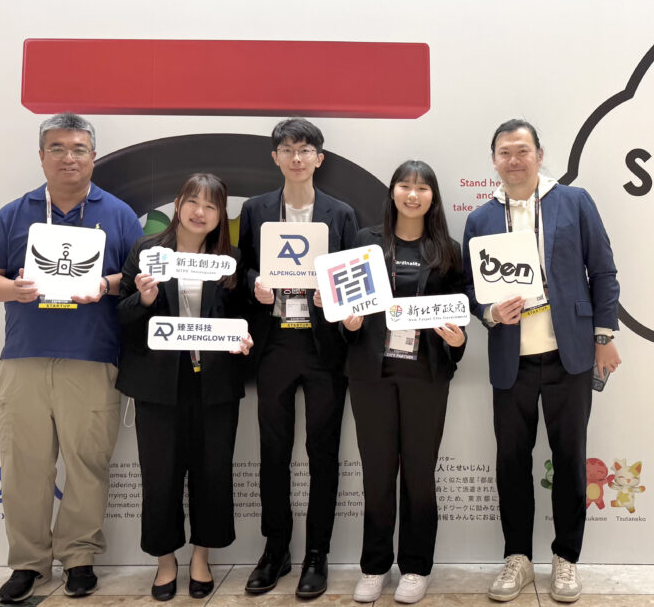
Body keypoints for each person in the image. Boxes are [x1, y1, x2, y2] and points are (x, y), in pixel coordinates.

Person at [0, 113, 143, 603]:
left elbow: (136, 278)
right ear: (42, 155)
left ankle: (79, 558)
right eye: (58, 148)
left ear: (93, 156)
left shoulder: (118, 214)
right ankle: (28, 563)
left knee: (87, 466)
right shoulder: (13, 213)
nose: (69, 157)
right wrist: (14, 289)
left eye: (78, 149)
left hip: (91, 358)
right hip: (23, 359)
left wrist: (103, 284)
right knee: (24, 468)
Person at [462, 120, 621, 603]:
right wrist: (489, 313)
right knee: (511, 462)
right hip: (511, 359)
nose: (514, 160)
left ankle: (566, 558)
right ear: (493, 159)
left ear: (539, 154)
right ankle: (518, 558)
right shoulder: (480, 218)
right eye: (505, 152)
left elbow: (604, 270)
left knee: (570, 460)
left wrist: (604, 335)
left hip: (568, 355)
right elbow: (470, 287)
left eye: (523, 150)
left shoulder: (574, 202)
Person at [116, 173, 253, 601]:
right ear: (178, 204)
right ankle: (165, 562)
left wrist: (244, 338)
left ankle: (201, 559)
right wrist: (144, 298)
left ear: (221, 215)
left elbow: (245, 317)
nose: (200, 212)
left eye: (211, 206)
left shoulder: (229, 261)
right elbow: (122, 316)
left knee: (213, 474)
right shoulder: (147, 252)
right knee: (160, 476)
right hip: (159, 385)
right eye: (193, 201)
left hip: (214, 385)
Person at [238, 118, 358, 598]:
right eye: (287, 149)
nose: (296, 157)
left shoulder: (341, 213)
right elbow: (243, 268)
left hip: (324, 346)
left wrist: (336, 299)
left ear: (319, 159)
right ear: (275, 158)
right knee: (273, 452)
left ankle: (317, 554)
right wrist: (255, 285)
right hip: (274, 345)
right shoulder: (255, 209)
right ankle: (275, 550)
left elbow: (352, 276)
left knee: (322, 453)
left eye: (305, 149)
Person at [341, 160, 466, 604]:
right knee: (377, 473)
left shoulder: (447, 249)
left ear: (433, 196)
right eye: (405, 186)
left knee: (419, 472)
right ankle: (374, 566)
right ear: (392, 191)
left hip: (424, 373)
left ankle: (416, 566)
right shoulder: (366, 241)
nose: (413, 195)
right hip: (371, 373)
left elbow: (459, 311)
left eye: (422, 188)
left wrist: (458, 339)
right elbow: (348, 307)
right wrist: (349, 324)